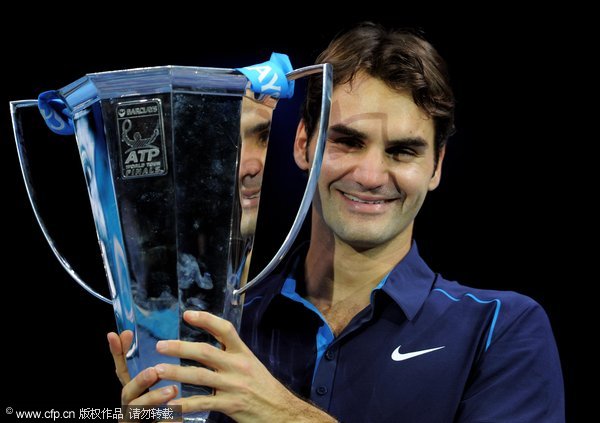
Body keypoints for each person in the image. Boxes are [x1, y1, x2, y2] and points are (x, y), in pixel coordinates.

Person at [108, 23, 565, 422]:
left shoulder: (502, 329)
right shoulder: (215, 324)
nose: (369, 176)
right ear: (304, 144)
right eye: (347, 142)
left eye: (402, 151)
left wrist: (280, 414)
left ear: (436, 166)